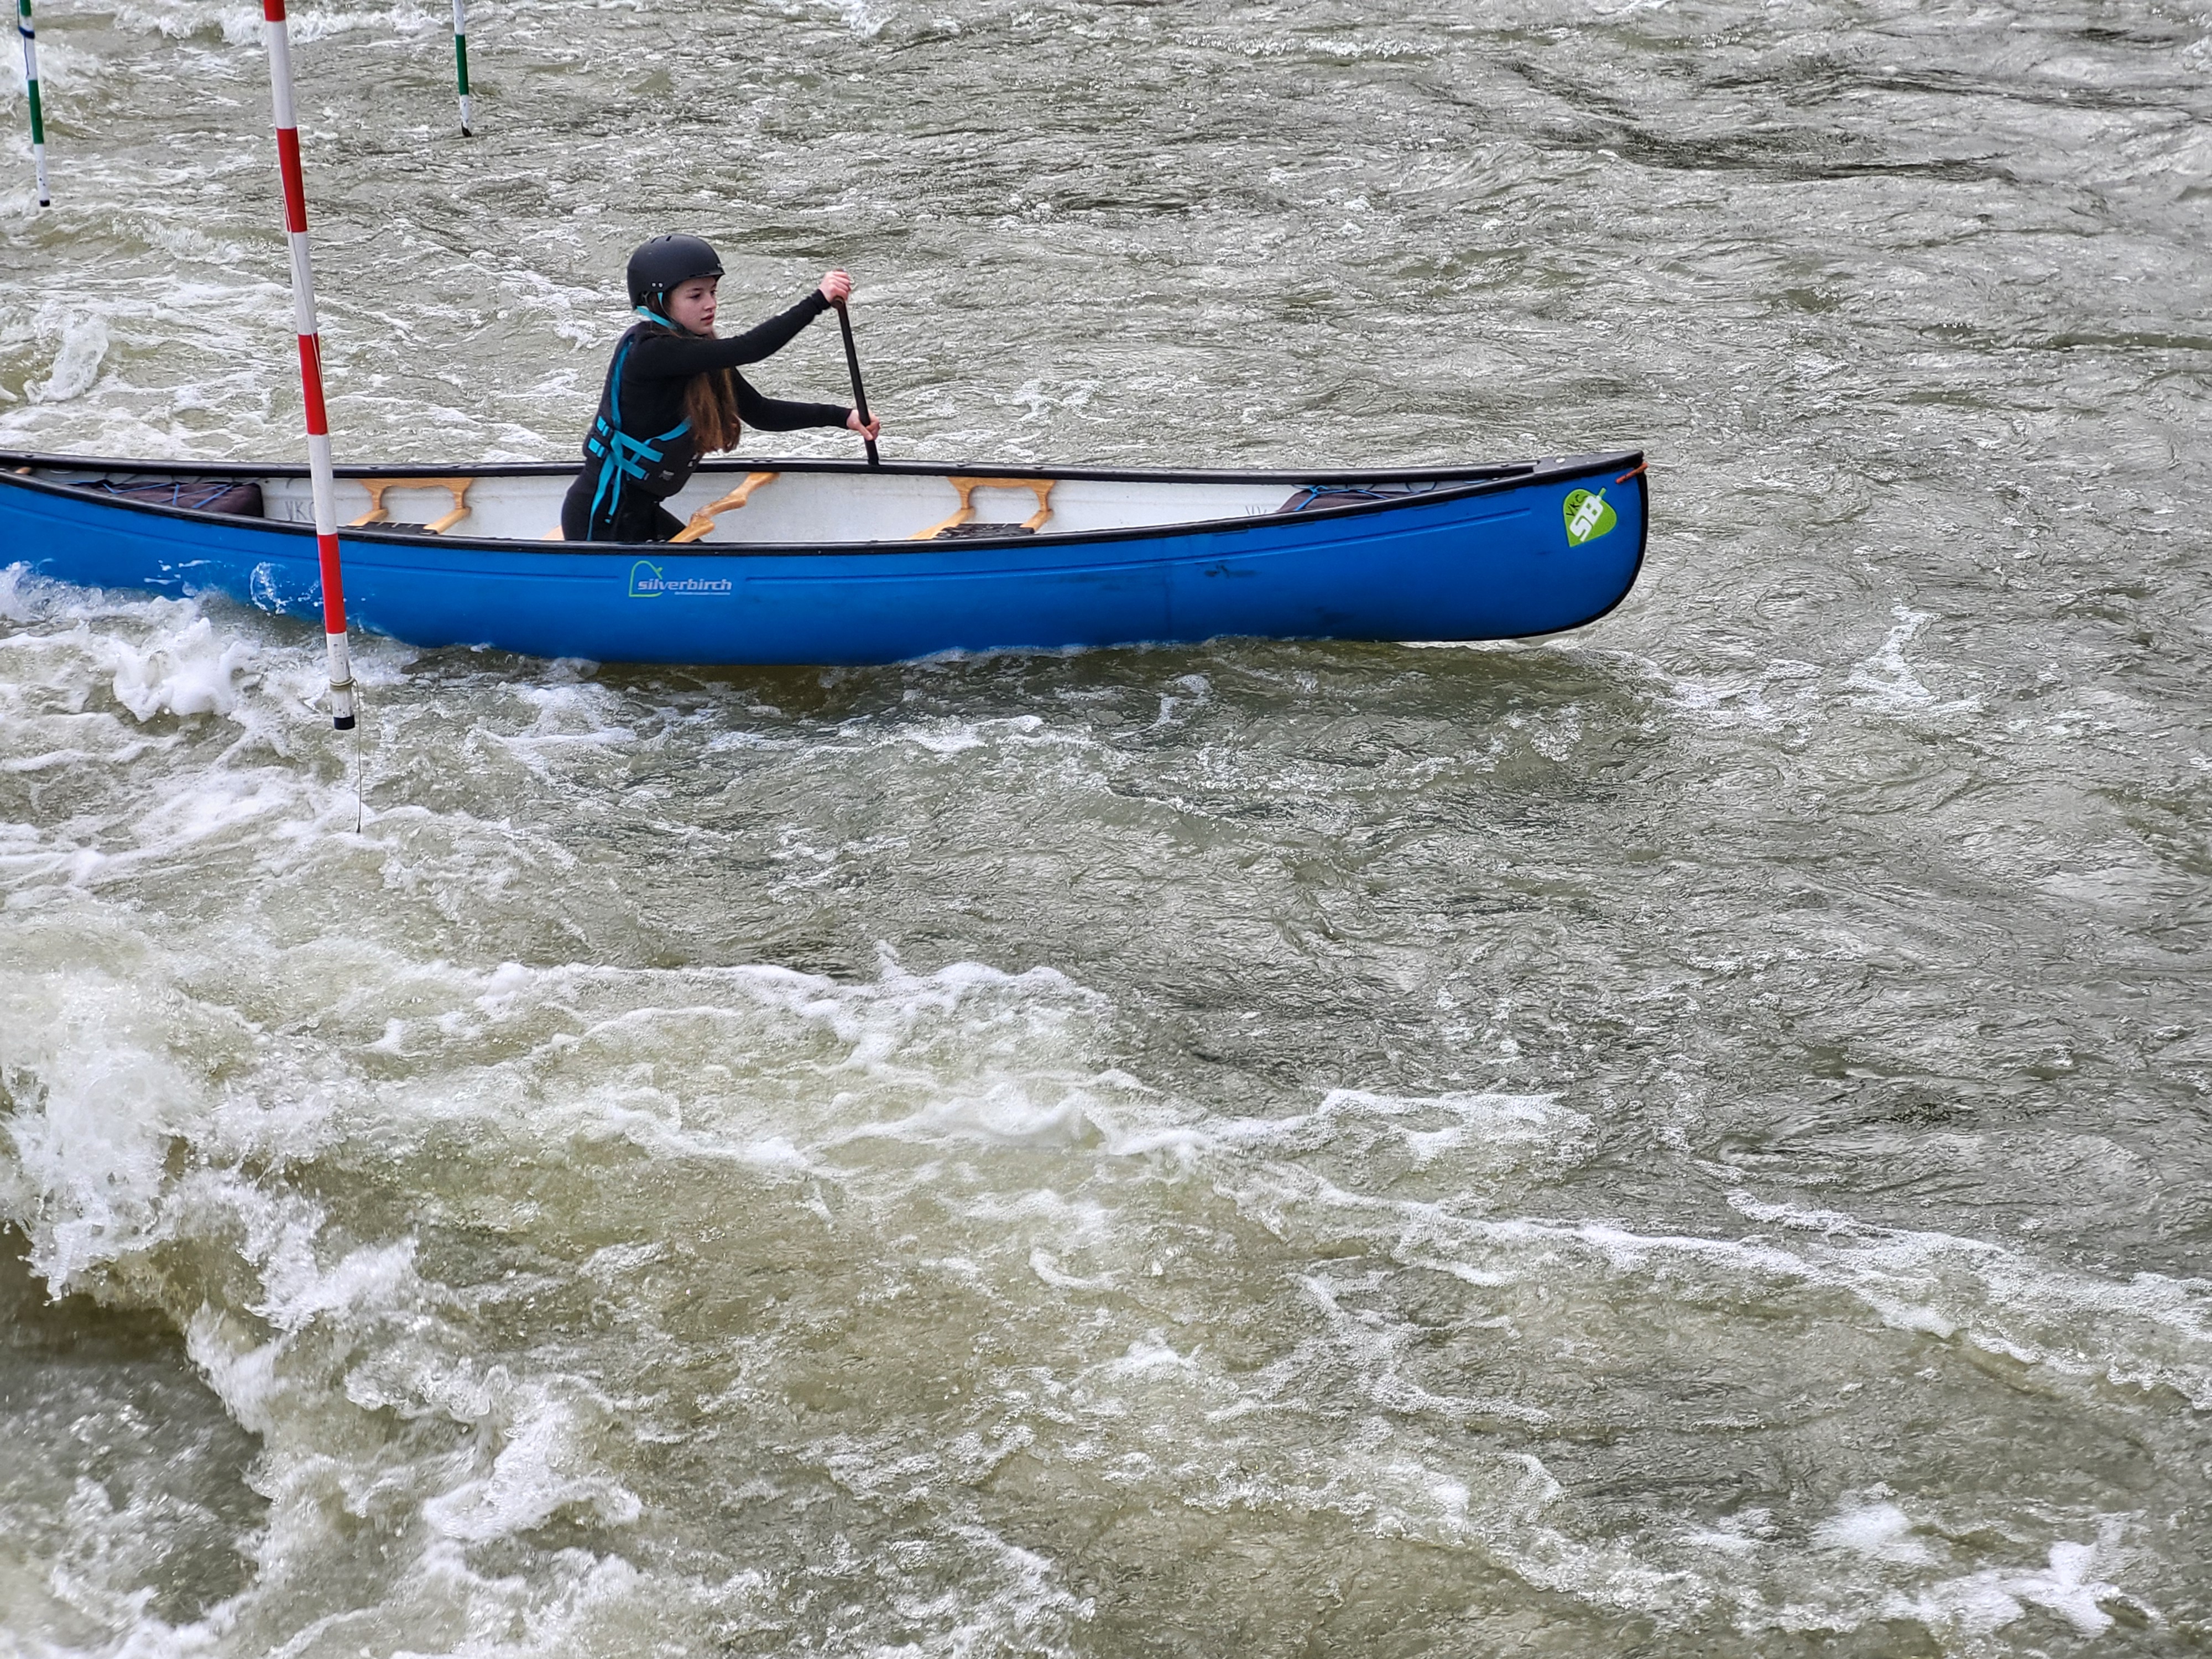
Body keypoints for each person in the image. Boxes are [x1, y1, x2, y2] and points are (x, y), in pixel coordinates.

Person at [560, 234, 883, 542]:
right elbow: (750, 348)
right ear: (658, 301)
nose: (710, 304)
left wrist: (843, 418)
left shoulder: (696, 353)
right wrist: (817, 302)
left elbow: (761, 413)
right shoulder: (650, 352)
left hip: (639, 514)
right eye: (695, 295)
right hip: (601, 518)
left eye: (713, 292)